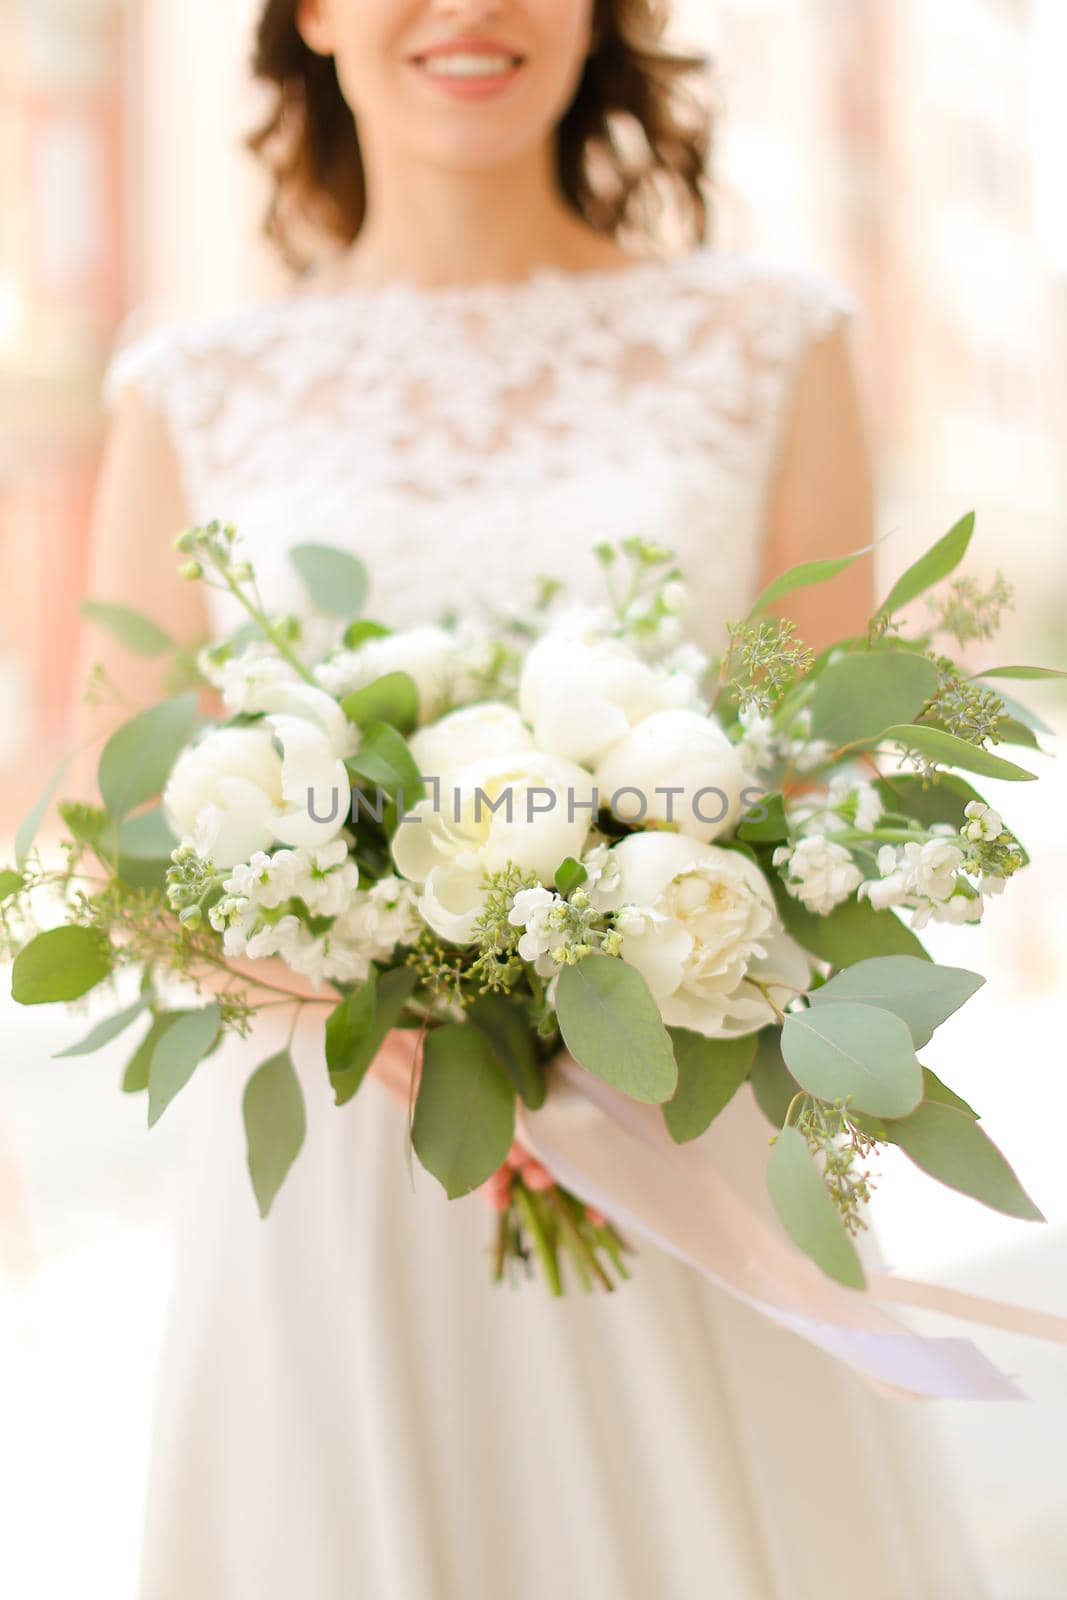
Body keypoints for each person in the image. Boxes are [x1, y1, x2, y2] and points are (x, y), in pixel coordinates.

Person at [80, 1, 986, 1595]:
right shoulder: (189, 387)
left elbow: (827, 772)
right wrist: (352, 976)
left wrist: (632, 938)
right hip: (345, 1172)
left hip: (683, 1143)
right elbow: (118, 830)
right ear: (313, 14)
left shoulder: (771, 341)